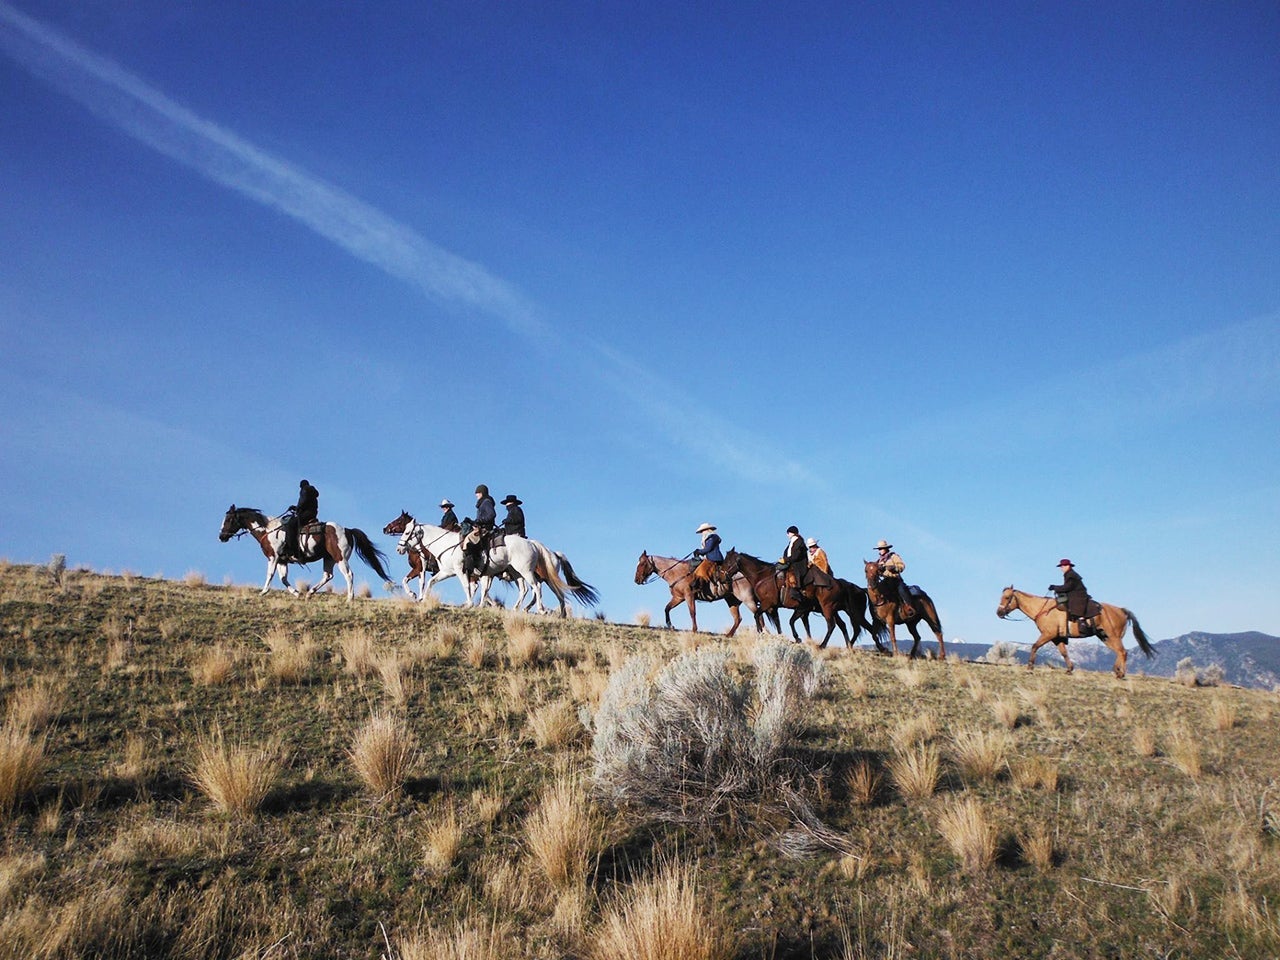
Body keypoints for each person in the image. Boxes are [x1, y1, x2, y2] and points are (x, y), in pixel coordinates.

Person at [874, 539, 915, 618]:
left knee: (902, 590)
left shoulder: (893, 556)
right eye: (879, 549)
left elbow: (902, 566)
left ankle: (909, 607)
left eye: (882, 548)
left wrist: (893, 568)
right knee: (877, 591)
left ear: (886, 548)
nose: (880, 550)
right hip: (886, 581)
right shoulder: (878, 561)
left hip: (895, 580)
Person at [463, 484, 497, 578]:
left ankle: (474, 564)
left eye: (478, 493)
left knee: (468, 539)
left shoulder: (486, 502)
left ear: (482, 493)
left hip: (486, 529)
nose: (476, 495)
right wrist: (472, 521)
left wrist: (479, 521)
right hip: (481, 528)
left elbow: (492, 515)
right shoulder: (483, 503)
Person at [283, 479, 319, 562]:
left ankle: (294, 551)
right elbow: (306, 503)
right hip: (312, 513)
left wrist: (297, 508)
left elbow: (303, 501)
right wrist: (296, 508)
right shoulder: (313, 492)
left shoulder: (305, 490)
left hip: (306, 514)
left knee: (290, 525)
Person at [1049, 558, 1090, 622]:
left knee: (1074, 606)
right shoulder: (1068, 574)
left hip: (1078, 595)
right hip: (1073, 593)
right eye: (1061, 567)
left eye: (1063, 566)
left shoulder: (1071, 574)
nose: (1062, 568)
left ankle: (1081, 620)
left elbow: (1068, 587)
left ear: (1068, 566)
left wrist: (1055, 587)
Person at [777, 525, 809, 605]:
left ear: (791, 533)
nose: (787, 535)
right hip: (791, 562)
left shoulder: (799, 542)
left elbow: (796, 556)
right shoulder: (792, 542)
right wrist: (783, 560)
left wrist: (786, 559)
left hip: (798, 565)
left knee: (793, 577)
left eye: (788, 533)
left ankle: (797, 593)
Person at [691, 522, 723, 591]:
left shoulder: (712, 537)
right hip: (709, 558)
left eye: (702, 531)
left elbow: (708, 548)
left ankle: (700, 587)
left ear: (707, 530)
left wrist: (699, 551)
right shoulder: (709, 537)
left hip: (713, 558)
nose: (702, 533)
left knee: (700, 571)